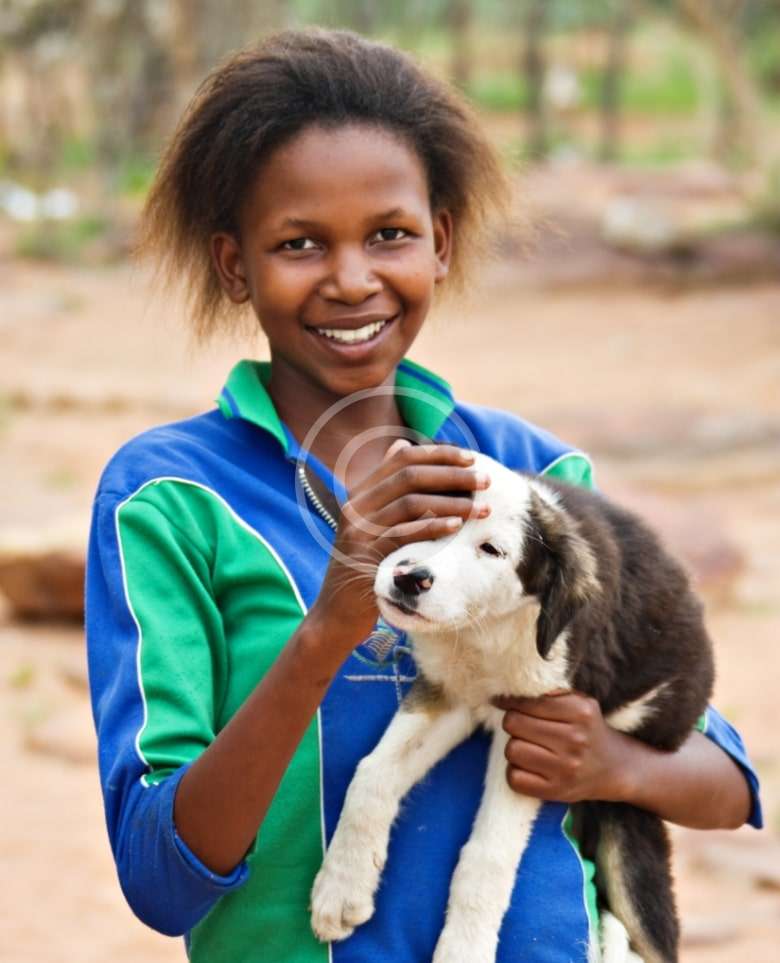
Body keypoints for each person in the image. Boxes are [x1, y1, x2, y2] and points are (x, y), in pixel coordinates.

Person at [85, 28, 761, 963]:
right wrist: (329, 626)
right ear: (235, 264)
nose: (352, 278)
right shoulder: (171, 498)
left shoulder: (535, 478)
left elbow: (725, 784)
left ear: (439, 242)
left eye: (390, 235)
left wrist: (608, 762)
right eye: (299, 243)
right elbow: (160, 878)